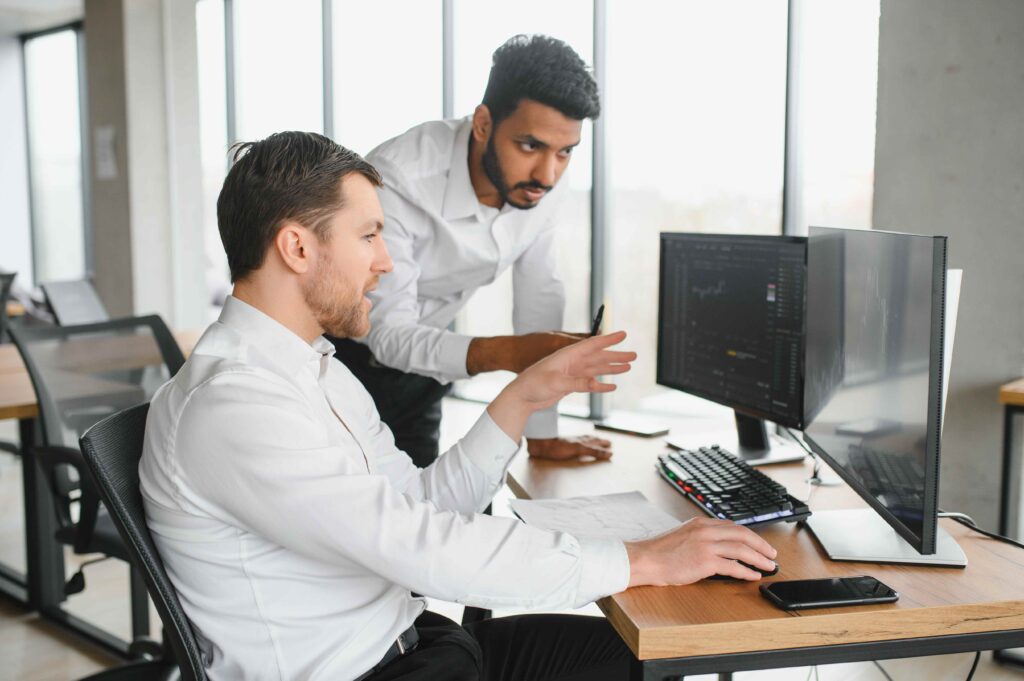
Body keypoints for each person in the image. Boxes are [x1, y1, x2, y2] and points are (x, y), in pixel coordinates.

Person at [140, 132, 778, 681]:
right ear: (298, 248)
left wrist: (526, 393)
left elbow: (418, 504)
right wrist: (641, 560)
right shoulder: (235, 405)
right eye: (369, 235)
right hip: (363, 672)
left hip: (417, 647)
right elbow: (421, 548)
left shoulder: (317, 371)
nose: (385, 263)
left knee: (641, 660)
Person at [329, 34, 609, 468]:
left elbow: (540, 298)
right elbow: (386, 332)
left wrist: (542, 434)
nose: (547, 173)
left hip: (428, 365)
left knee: (422, 510)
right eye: (530, 146)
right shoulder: (399, 178)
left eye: (566, 152)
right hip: (343, 361)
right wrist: (511, 352)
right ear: (483, 124)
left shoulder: (543, 183)